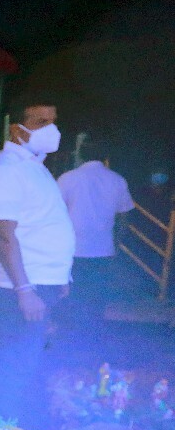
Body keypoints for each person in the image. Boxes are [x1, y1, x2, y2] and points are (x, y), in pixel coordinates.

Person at [0, 96, 75, 430]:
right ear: (17, 130)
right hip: (17, 287)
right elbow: (4, 235)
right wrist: (24, 290)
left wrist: (60, 276)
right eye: (40, 122)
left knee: (24, 362)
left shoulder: (33, 167)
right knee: (12, 366)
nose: (51, 129)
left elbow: (41, 225)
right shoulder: (5, 171)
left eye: (53, 120)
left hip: (36, 283)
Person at [57, 140, 134, 326]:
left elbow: (55, 215)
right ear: (106, 156)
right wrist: (117, 243)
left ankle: (70, 334)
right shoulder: (117, 180)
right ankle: (93, 335)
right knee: (97, 301)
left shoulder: (67, 178)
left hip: (72, 250)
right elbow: (124, 216)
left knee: (71, 297)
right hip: (103, 249)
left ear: (81, 155)